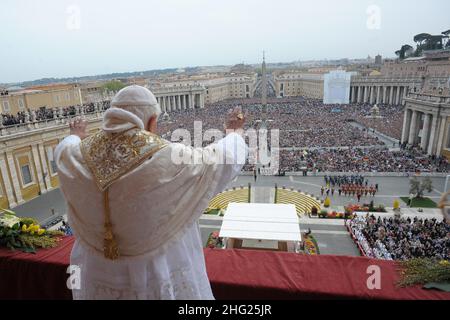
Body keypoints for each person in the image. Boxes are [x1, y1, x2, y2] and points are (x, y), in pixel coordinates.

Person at [55, 85, 248, 300]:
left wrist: (75, 136)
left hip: (96, 275)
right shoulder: (168, 157)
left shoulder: (74, 156)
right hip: (152, 276)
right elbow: (222, 159)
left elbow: (62, 150)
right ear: (151, 122)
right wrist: (234, 132)